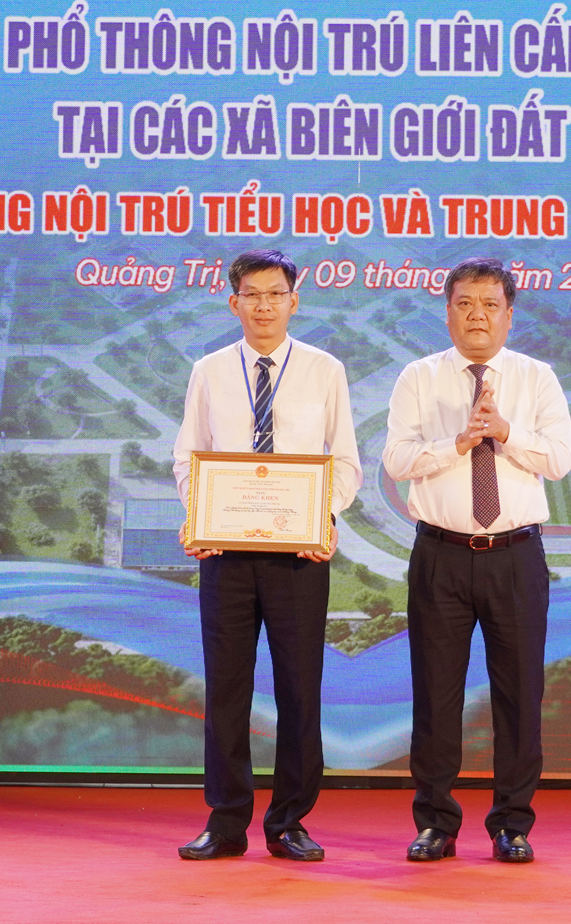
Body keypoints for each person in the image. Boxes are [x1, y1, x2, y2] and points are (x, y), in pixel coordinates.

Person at [172, 249, 362, 862]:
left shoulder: (325, 370)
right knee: (227, 689)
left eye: (275, 294)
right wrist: (199, 513)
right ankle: (226, 821)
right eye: (251, 294)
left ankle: (289, 823)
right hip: (225, 554)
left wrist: (323, 516)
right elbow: (188, 455)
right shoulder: (208, 371)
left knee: (299, 690)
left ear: (294, 301)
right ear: (234, 303)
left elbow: (346, 461)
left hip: (298, 556)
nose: (263, 305)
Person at [382, 258, 571, 864]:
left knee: (519, 693)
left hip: (515, 556)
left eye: (490, 305)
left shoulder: (537, 377)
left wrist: (506, 433)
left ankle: (512, 823)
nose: (477, 316)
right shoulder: (418, 377)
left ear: (510, 314)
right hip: (440, 554)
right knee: (436, 693)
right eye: (465, 304)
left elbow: (559, 461)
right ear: (448, 312)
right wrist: (457, 443)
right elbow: (397, 460)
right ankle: (435, 822)